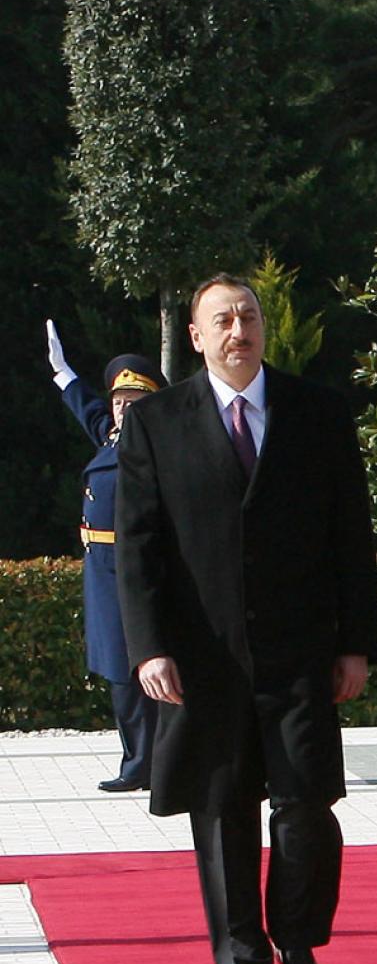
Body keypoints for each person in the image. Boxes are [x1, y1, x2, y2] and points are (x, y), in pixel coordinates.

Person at [113, 272, 377, 964]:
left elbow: (349, 540)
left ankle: (295, 937)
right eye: (223, 321)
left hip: (299, 651)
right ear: (196, 336)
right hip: (204, 656)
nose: (240, 331)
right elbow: (136, 550)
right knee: (223, 807)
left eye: (249, 317)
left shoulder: (317, 414)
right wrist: (148, 648)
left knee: (306, 805)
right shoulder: (155, 424)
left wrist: (356, 642)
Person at [46, 329, 163, 793]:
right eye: (120, 401)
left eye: (135, 401)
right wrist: (63, 374)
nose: (123, 408)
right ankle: (139, 759)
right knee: (119, 671)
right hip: (103, 571)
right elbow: (89, 412)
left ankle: (145, 764)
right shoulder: (114, 436)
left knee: (136, 672)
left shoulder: (156, 447)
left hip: (131, 570)